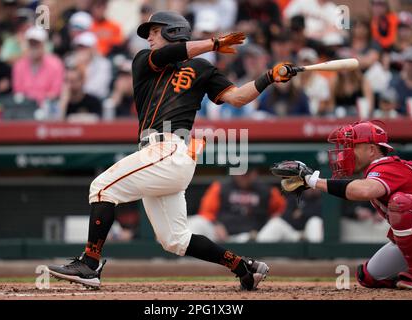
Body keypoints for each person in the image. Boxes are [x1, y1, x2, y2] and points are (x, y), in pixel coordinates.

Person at [47, 11, 298, 290]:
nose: (149, 38)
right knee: (175, 240)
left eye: (155, 31)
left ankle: (90, 264)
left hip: (169, 149)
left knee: (102, 187)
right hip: (161, 158)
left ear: (173, 32)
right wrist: (213, 43)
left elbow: (238, 98)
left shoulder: (202, 68)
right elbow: (170, 55)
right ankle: (244, 267)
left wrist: (268, 77)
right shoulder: (143, 61)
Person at [277, 120, 412, 289]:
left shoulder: (386, 166)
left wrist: (313, 181)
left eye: (352, 147)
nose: (346, 153)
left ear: (372, 149)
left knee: (401, 204)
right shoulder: (379, 169)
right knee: (368, 276)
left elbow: (364, 191)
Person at [188, 168, 286, 242]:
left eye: (248, 173)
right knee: (197, 222)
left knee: (277, 225)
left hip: (255, 239)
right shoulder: (220, 187)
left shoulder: (267, 191)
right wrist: (216, 224)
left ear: (255, 173)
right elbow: (205, 212)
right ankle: (186, 264)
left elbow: (282, 210)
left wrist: (272, 218)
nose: (244, 176)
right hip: (223, 237)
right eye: (241, 172)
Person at [12, 26, 64, 107]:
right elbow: (18, 91)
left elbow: (55, 92)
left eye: (37, 44)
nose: (34, 47)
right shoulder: (19, 65)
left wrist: (38, 100)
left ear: (43, 45)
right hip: (25, 108)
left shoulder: (56, 64)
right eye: (31, 44)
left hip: (48, 107)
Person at [256, 188, 323, 243]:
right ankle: (258, 251)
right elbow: (286, 216)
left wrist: (303, 212)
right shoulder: (297, 195)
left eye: (316, 184)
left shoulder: (325, 197)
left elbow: (322, 214)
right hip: (295, 234)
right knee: (276, 222)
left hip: (313, 234)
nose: (312, 188)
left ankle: (317, 255)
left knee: (315, 221)